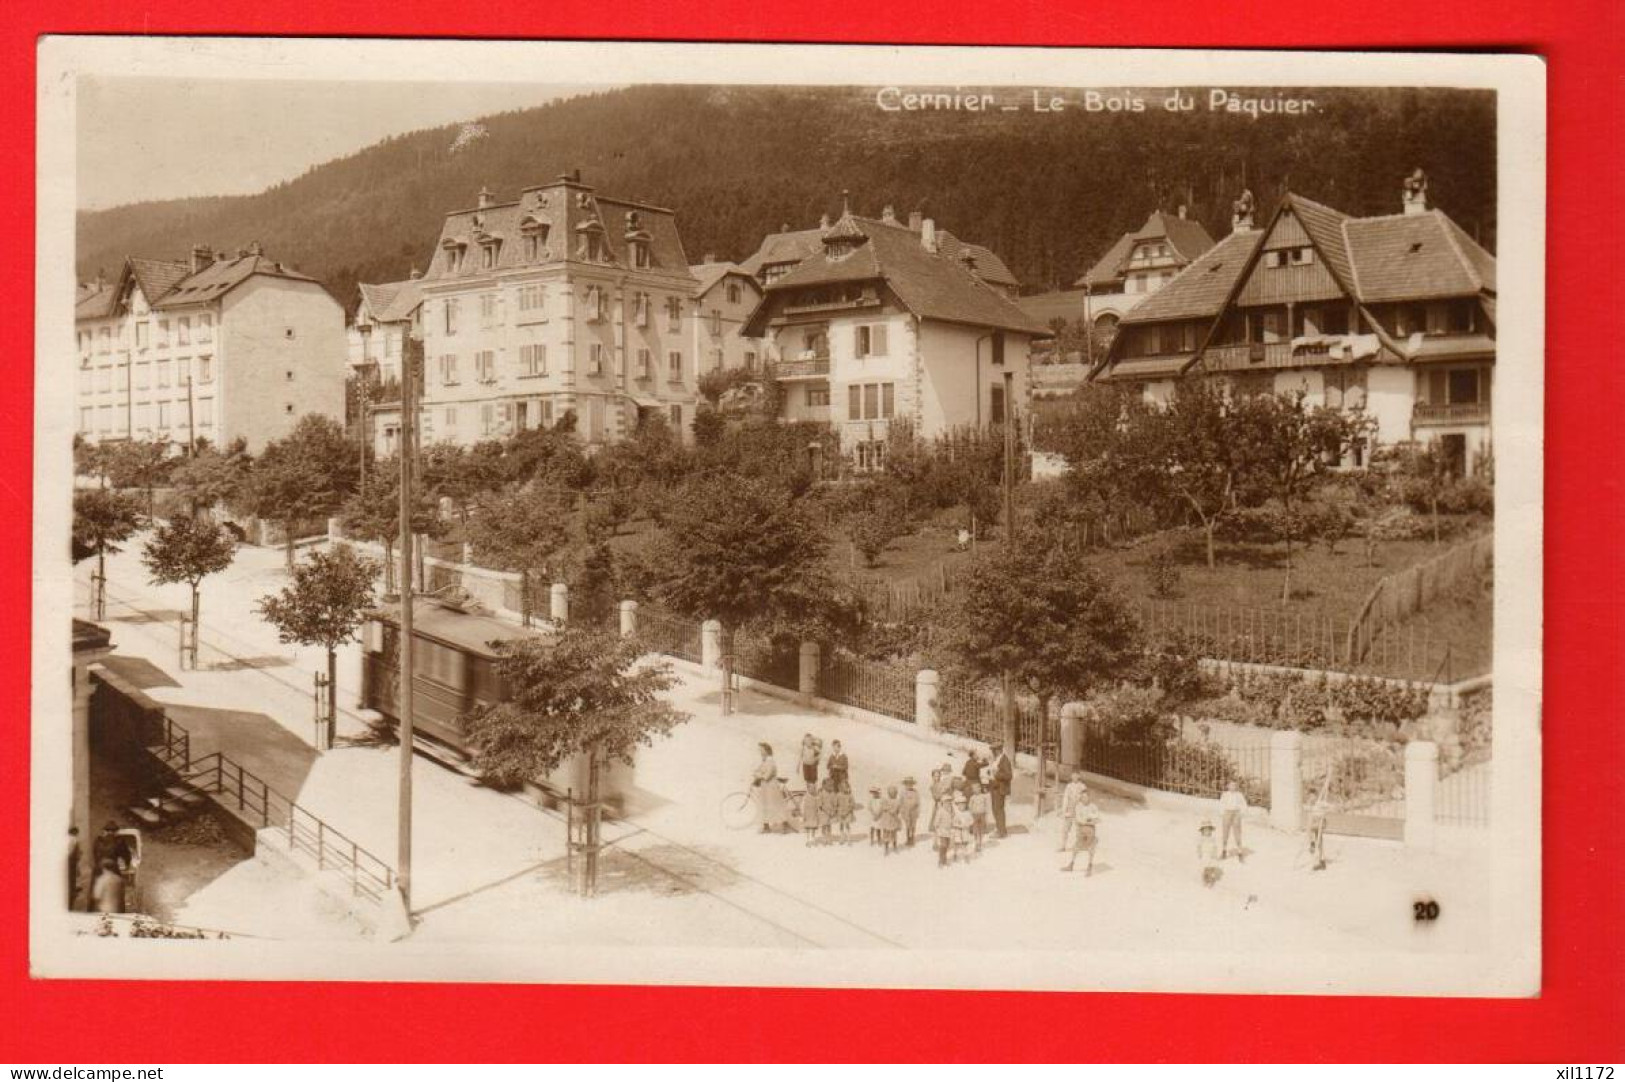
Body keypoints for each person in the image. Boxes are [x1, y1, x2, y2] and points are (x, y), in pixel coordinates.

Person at [752, 743, 791, 833]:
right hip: (765, 787)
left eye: (761, 750)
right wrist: (758, 774)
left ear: (766, 751)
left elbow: (766, 776)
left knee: (775, 806)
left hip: (771, 787)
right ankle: (766, 827)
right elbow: (757, 771)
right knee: (764, 806)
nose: (760, 752)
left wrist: (758, 775)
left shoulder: (770, 762)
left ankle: (785, 826)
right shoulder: (765, 761)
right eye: (760, 750)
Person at [1065, 790, 1100, 875]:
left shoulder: (1093, 806)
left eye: (1086, 797)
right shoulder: (1078, 806)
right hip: (1081, 829)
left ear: (1089, 797)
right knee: (1077, 846)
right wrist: (1088, 820)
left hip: (1091, 829)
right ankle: (1071, 864)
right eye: (1082, 797)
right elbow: (1079, 819)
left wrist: (1089, 820)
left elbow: (1097, 818)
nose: (1084, 799)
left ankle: (1089, 866)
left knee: (1091, 847)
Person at [1218, 781, 1248, 861]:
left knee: (1237, 832)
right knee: (1225, 832)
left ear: (1236, 787)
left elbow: (1244, 804)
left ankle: (1240, 852)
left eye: (1234, 785)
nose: (1232, 787)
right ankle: (1224, 850)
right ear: (1228, 786)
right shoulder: (1225, 794)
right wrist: (1222, 813)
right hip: (1227, 813)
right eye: (1230, 785)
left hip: (1236, 813)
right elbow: (1221, 804)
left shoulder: (1239, 795)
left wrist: (1241, 813)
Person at [989, 746, 1014, 838]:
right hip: (994, 787)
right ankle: (999, 828)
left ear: (998, 750)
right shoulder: (997, 759)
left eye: (993, 750)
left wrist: (996, 774)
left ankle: (1002, 832)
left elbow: (1009, 775)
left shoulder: (1005, 760)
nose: (992, 752)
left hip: (1000, 788)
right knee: (995, 809)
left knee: (999, 810)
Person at [1058, 775, 1087, 852]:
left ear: (1079, 776)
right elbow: (1066, 798)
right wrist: (1063, 810)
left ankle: (1080, 845)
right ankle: (1063, 846)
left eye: (1076, 775)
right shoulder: (1069, 786)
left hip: (1078, 809)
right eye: (1073, 776)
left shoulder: (1082, 786)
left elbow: (1085, 799)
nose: (1074, 777)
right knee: (1065, 828)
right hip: (1069, 809)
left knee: (1079, 829)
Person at [930, 793, 956, 868]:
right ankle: (941, 861)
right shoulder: (940, 811)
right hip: (942, 831)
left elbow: (953, 819)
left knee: (947, 845)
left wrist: (953, 825)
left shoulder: (951, 811)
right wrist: (936, 828)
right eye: (946, 802)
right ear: (942, 803)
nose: (947, 804)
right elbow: (936, 821)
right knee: (943, 845)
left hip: (948, 831)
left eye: (949, 802)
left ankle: (944, 859)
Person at [877, 786, 902, 855]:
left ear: (896, 793)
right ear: (888, 793)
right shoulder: (885, 800)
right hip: (886, 821)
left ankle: (895, 847)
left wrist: (893, 811)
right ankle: (886, 849)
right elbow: (882, 808)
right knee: (886, 835)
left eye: (894, 792)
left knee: (894, 835)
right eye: (891, 792)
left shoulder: (897, 801)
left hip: (893, 821)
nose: (893, 794)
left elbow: (898, 810)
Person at [1197, 818, 1221, 887]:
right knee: (1205, 869)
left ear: (1211, 830)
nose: (1207, 832)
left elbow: (1215, 847)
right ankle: (1205, 880)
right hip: (1205, 855)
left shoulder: (1213, 839)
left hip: (1211, 856)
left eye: (1209, 830)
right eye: (1205, 830)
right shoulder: (1201, 839)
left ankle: (1210, 881)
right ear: (1202, 831)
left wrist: (1215, 854)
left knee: (1211, 868)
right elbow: (1199, 847)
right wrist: (1199, 853)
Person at [967, 783, 991, 853]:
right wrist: (971, 813)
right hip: (975, 815)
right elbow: (970, 806)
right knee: (975, 828)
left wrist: (986, 814)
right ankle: (975, 842)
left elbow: (986, 805)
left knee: (981, 828)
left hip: (982, 814)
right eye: (974, 789)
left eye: (977, 788)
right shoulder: (972, 797)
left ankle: (980, 842)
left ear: (980, 788)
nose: (975, 790)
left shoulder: (983, 796)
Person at [898, 777, 921, 847]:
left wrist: (917, 810)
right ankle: (908, 839)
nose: (909, 785)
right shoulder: (902, 792)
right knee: (908, 826)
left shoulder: (915, 792)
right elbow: (900, 802)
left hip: (914, 811)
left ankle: (912, 838)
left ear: (912, 784)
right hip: (906, 812)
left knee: (913, 825)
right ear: (905, 784)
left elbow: (918, 802)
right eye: (907, 784)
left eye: (910, 784)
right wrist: (902, 811)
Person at [951, 793, 974, 863]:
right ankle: (955, 854)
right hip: (958, 831)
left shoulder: (968, 813)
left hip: (965, 831)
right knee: (957, 843)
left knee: (965, 843)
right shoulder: (956, 814)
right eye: (960, 805)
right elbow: (953, 822)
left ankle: (966, 855)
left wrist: (968, 824)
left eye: (963, 805)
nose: (962, 806)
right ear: (957, 806)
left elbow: (971, 821)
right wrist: (957, 825)